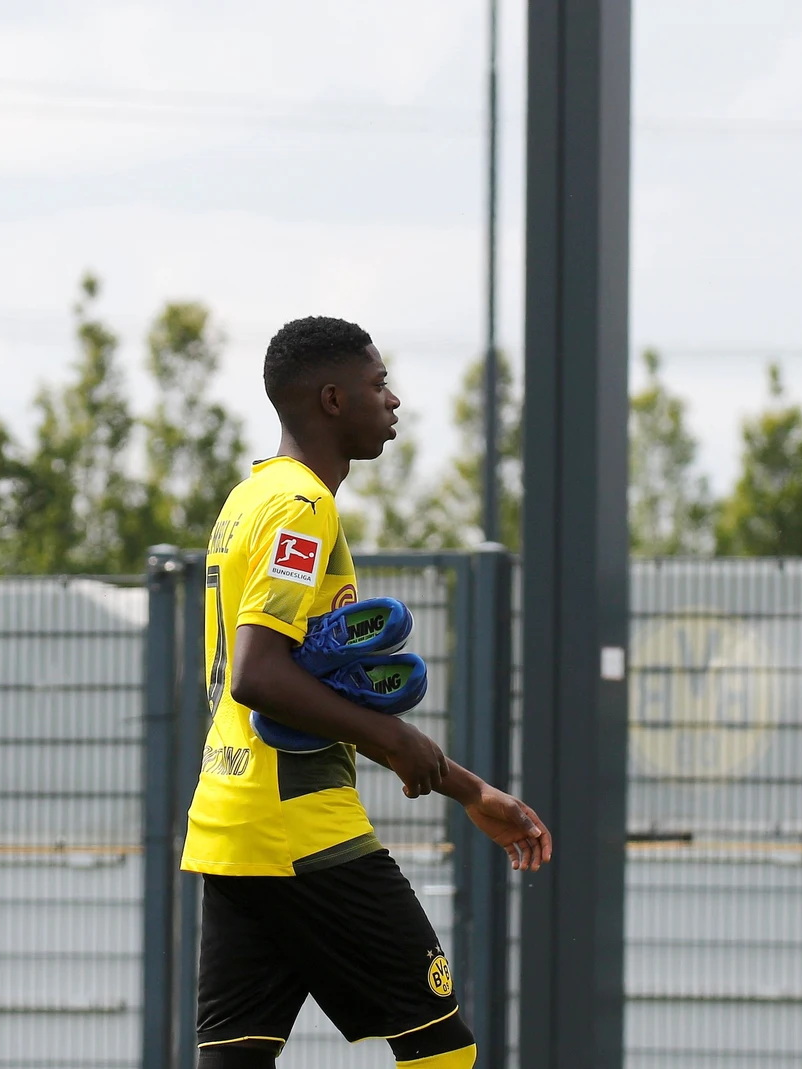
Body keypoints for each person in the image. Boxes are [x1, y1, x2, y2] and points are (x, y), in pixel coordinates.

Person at [184, 316, 551, 1068]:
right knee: (441, 1050)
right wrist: (401, 740)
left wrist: (471, 790)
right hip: (300, 824)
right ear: (330, 399)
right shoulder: (301, 507)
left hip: (230, 823)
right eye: (377, 383)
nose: (392, 399)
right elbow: (258, 674)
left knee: (233, 1059)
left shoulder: (247, 500)